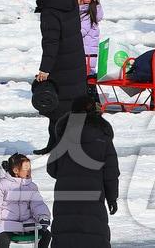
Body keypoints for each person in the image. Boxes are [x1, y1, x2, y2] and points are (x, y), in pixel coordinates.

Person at [47, 96, 120, 248]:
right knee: (93, 236)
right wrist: (112, 198)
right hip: (93, 196)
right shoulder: (102, 135)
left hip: (65, 195)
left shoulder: (65, 133)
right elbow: (110, 172)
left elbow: (52, 169)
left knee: (65, 236)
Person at [31, 0, 84, 155]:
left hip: (61, 64)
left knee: (58, 108)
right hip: (75, 60)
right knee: (66, 107)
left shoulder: (49, 10)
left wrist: (45, 69)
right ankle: (55, 145)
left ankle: (61, 147)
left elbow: (51, 42)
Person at [0, 153, 51, 247]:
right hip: (7, 223)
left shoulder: (31, 187)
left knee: (46, 235)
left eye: (30, 168)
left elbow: (37, 204)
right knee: (3, 238)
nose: (29, 171)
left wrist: (43, 216)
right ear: (16, 170)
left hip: (27, 222)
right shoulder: (2, 185)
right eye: (26, 168)